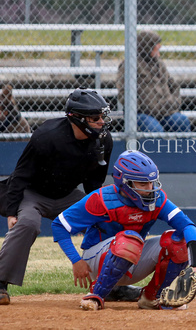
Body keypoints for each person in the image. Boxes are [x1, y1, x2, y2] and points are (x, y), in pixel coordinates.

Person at [0, 88, 116, 305]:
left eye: (102, 116)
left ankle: (112, 283)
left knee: (106, 221)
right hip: (32, 193)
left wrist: (99, 214)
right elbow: (21, 175)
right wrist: (11, 210)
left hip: (67, 195)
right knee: (28, 224)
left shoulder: (103, 140)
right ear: (76, 119)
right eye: (95, 118)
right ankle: (0, 282)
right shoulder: (47, 136)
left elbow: (94, 184)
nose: (101, 122)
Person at [51, 150, 196, 311]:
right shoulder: (102, 199)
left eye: (152, 182)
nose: (150, 188)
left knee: (178, 242)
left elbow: (188, 227)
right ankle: (97, 295)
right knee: (129, 239)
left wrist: (195, 267)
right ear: (125, 183)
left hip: (131, 257)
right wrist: (76, 260)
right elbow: (59, 225)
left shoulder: (157, 199)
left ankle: (154, 297)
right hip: (96, 263)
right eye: (143, 184)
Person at [117, 31, 191, 133]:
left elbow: (173, 86)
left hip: (165, 112)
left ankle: (180, 149)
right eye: (156, 45)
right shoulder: (129, 64)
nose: (159, 47)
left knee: (181, 121)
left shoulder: (159, 64)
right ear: (147, 46)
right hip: (141, 114)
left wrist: (174, 102)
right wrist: (140, 107)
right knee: (155, 129)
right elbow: (122, 91)